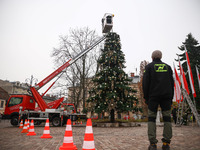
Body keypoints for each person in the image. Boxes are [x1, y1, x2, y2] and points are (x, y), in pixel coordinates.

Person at [142, 50, 174, 150]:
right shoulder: (168, 67)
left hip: (153, 96)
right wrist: (171, 97)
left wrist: (146, 97)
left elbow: (145, 84)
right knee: (167, 118)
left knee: (151, 118)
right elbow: (172, 83)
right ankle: (166, 144)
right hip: (166, 96)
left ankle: (153, 144)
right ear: (161, 57)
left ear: (152, 57)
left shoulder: (149, 67)